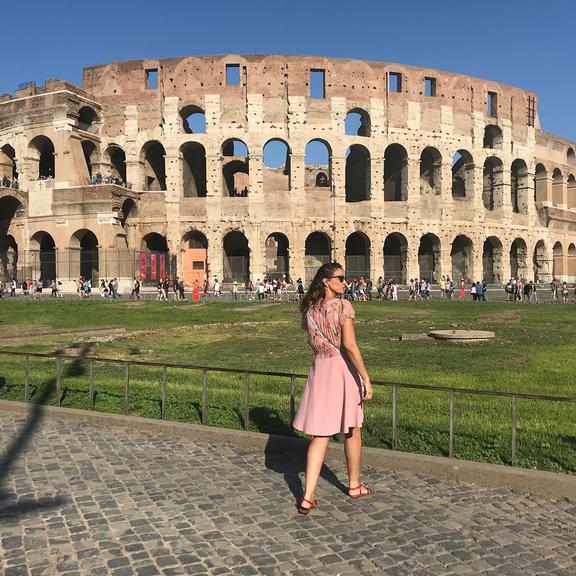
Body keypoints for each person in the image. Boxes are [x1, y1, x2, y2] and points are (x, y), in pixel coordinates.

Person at [293, 262, 374, 514]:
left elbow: (312, 342)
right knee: (352, 428)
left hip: (320, 370)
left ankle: (307, 496)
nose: (344, 282)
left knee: (320, 435)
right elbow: (349, 345)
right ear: (326, 281)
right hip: (341, 369)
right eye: (339, 278)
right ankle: (353, 484)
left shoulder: (309, 309)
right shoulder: (342, 306)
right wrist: (366, 377)